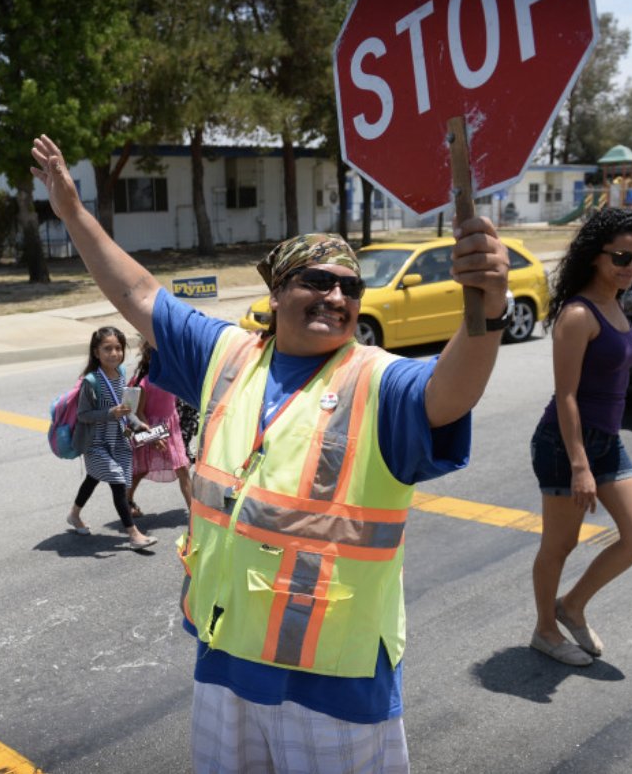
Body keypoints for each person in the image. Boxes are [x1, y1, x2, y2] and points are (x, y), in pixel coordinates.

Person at [32, 133, 510, 772]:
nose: (338, 297)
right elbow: (140, 294)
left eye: (350, 289)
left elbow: (450, 394)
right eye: (318, 281)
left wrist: (488, 308)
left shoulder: (377, 378)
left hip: (335, 683)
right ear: (278, 292)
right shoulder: (228, 355)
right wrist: (72, 211)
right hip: (225, 658)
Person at [528, 208, 632, 667]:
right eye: (621, 257)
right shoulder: (578, 314)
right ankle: (545, 629)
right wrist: (580, 466)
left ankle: (572, 605)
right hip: (566, 445)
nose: (630, 267)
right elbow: (566, 396)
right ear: (595, 256)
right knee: (559, 545)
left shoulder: (614, 301)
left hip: (606, 439)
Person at [65, 326, 159, 552]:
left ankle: (73, 515)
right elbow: (83, 415)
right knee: (117, 481)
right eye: (107, 349)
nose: (114, 353)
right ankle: (134, 534)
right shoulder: (91, 381)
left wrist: (138, 424)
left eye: (118, 348)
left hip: (118, 441)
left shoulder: (122, 374)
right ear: (96, 352)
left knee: (93, 478)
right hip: (96, 443)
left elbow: (127, 410)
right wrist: (109, 413)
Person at [126, 340, 193, 515]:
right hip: (151, 429)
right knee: (141, 469)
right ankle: (127, 500)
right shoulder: (144, 382)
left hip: (172, 429)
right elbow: (138, 412)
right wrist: (153, 437)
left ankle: (195, 513)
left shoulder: (172, 377)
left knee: (183, 468)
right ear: (149, 357)